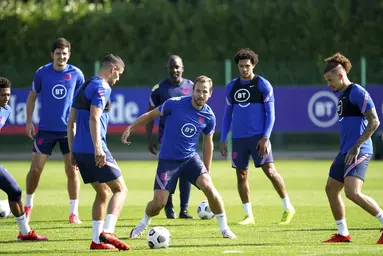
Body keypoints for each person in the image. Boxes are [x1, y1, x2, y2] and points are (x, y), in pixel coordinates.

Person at [122, 76, 237, 239]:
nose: (200, 95)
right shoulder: (174, 104)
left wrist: (207, 170)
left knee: (210, 188)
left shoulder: (209, 116)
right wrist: (130, 128)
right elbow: (150, 115)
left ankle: (225, 229)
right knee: (158, 204)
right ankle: (143, 224)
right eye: (198, 91)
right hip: (168, 161)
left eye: (205, 92)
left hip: (190, 159)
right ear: (193, 91)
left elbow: (208, 144)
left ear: (210, 93)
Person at [220, 48, 295, 225]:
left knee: (270, 171)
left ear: (253, 65)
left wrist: (265, 137)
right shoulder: (232, 87)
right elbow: (227, 115)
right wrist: (223, 138)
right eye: (241, 66)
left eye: (247, 66)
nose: (244, 69)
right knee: (241, 175)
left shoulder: (262, 84)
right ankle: (248, 215)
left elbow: (271, 114)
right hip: (238, 139)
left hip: (258, 137)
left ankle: (288, 207)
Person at [68, 54, 130, 250]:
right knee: (121, 189)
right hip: (94, 149)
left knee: (103, 192)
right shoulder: (103, 87)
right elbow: (94, 118)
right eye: (118, 74)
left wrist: (72, 152)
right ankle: (109, 231)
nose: (117, 79)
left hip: (79, 149)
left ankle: (96, 241)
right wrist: (98, 148)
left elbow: (71, 122)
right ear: (112, 69)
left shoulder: (84, 85)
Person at [322, 53, 383, 244]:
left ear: (340, 75)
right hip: (345, 151)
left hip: (359, 150)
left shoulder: (358, 92)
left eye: (330, 80)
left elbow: (374, 121)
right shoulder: (343, 96)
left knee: (352, 192)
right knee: (331, 189)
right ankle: (343, 234)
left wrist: (356, 146)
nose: (328, 85)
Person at [24, 38, 85, 224]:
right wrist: (28, 122)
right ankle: (27, 206)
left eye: (65, 53)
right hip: (45, 130)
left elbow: (82, 102)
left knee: (72, 171)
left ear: (69, 55)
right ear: (52, 54)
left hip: (68, 131)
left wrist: (79, 127)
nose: (61, 56)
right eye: (58, 53)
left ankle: (73, 213)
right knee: (35, 169)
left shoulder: (77, 74)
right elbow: (32, 97)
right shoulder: (42, 73)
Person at [146, 55, 194, 219]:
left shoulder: (191, 86)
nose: (174, 70)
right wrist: (149, 138)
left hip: (187, 139)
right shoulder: (159, 89)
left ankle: (184, 209)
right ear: (167, 68)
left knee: (186, 173)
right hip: (166, 138)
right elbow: (150, 114)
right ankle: (169, 208)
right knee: (170, 172)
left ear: (182, 68)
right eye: (171, 67)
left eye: (177, 67)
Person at [0, 77, 48, 241]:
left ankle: (24, 232)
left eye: (7, 94)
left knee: (15, 191)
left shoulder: (6, 110)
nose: (6, 98)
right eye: (2, 95)